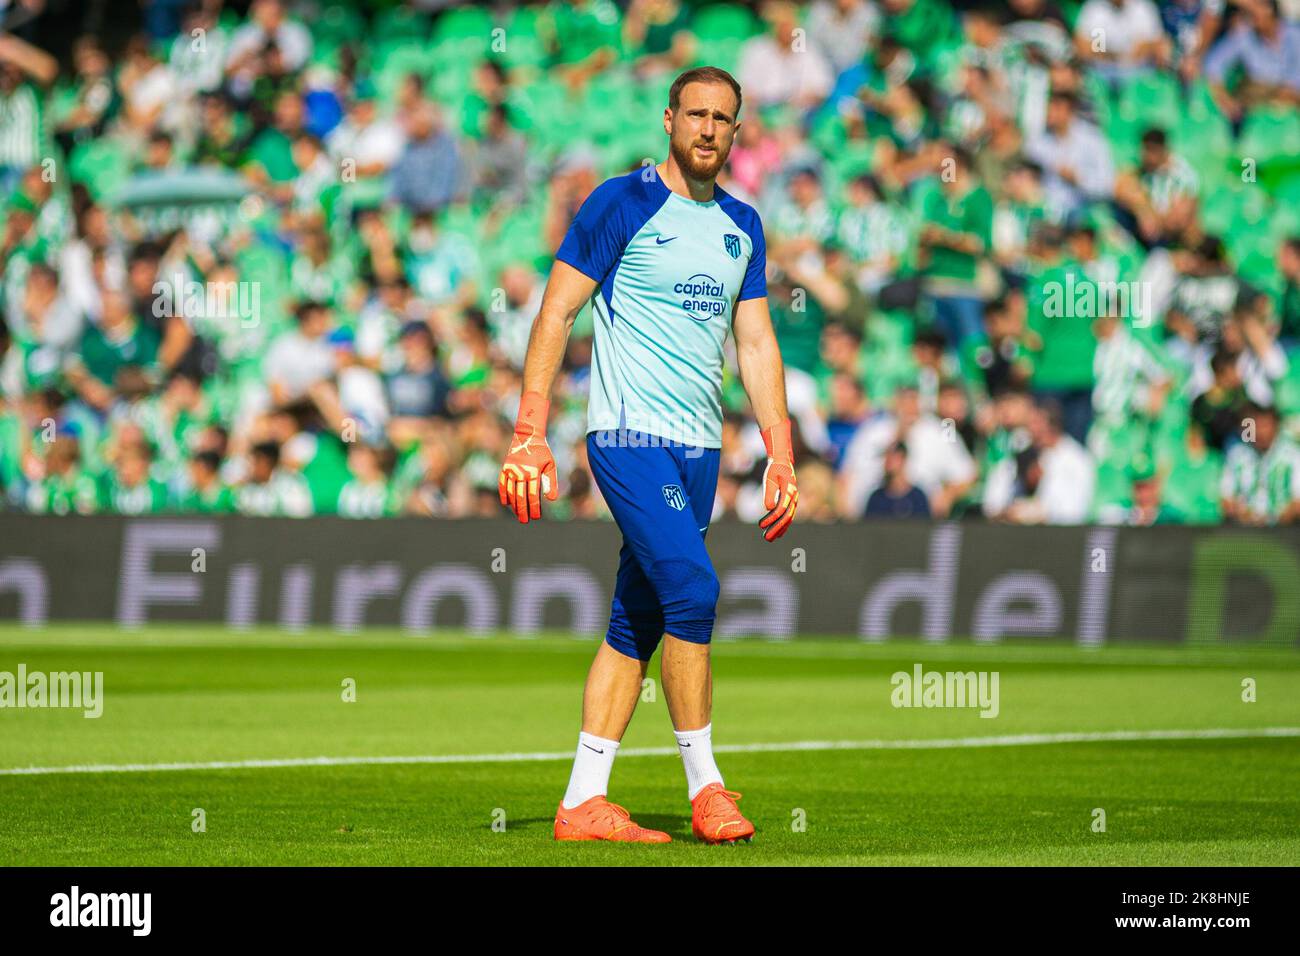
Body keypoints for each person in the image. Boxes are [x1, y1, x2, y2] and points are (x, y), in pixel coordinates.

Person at [497, 67, 796, 844]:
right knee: (694, 589)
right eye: (694, 113)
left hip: (700, 448)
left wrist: (782, 453)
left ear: (737, 130)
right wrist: (529, 430)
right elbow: (557, 311)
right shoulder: (619, 202)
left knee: (638, 621)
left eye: (721, 118)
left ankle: (582, 803)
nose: (706, 128)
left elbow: (757, 343)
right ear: (668, 120)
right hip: (629, 438)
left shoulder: (743, 224)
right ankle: (709, 790)